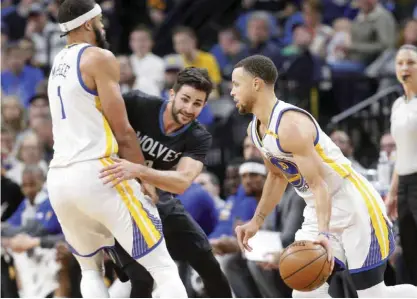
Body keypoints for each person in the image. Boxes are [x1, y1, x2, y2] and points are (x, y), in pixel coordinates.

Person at [231, 54, 417, 298]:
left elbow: (320, 185)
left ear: (256, 84)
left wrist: (323, 234)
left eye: (236, 84)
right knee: (305, 293)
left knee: (373, 295)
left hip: (352, 203)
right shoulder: (255, 130)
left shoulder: (290, 125)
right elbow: (277, 176)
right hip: (318, 207)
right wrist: (257, 221)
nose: (232, 92)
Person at [46, 0, 187, 297]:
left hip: (59, 178)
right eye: (99, 20)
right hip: (97, 171)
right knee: (163, 266)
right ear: (87, 23)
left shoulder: (58, 63)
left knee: (90, 270)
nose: (104, 25)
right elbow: (122, 130)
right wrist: (144, 178)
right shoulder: (99, 57)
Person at [99, 68, 232, 297]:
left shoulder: (199, 136)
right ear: (172, 94)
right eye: (185, 99)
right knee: (141, 279)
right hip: (117, 197)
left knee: (208, 262)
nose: (189, 109)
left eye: (198, 104)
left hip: (157, 198)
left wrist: (139, 171)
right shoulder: (137, 103)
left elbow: (181, 182)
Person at [386, 44, 417, 286]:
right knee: (409, 251)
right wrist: (393, 192)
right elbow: (400, 150)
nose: (404, 67)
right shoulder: (398, 105)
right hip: (405, 184)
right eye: (400, 63)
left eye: (410, 62)